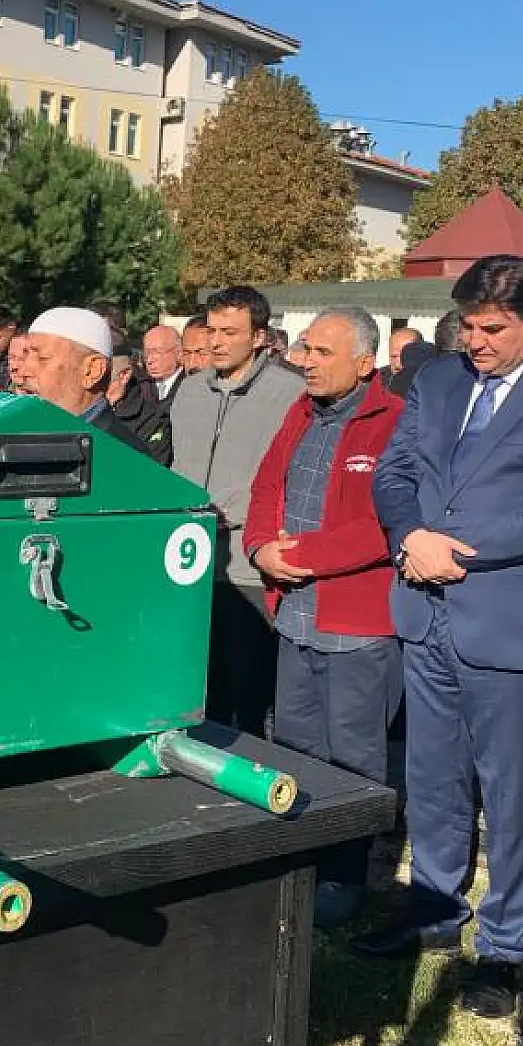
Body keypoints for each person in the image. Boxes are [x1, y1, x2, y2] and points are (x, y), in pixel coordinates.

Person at [360, 255, 523, 1021]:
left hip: (508, 623)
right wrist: (409, 533)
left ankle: (503, 948)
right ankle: (437, 912)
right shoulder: (438, 380)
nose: (475, 341)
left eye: (493, 329)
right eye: (468, 325)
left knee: (510, 793)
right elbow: (394, 472)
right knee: (435, 779)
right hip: (425, 609)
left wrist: (445, 546)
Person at [244, 307, 404, 929]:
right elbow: (266, 488)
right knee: (298, 744)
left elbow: (384, 524)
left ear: (366, 365)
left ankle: (345, 875)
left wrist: (301, 557)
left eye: (321, 352)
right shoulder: (300, 414)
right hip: (295, 617)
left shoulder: (394, 425)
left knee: (355, 757)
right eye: (305, 348)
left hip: (355, 625)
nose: (305, 361)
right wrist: (261, 548)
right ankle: (302, 861)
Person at [169, 286, 300, 734]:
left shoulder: (289, 394)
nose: (216, 341)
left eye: (230, 331)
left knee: (251, 690)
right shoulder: (189, 392)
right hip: (191, 562)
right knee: (201, 687)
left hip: (248, 566)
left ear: (260, 337)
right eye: (212, 330)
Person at [22, 308, 147, 452]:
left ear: (92, 370)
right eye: (25, 355)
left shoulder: (125, 456)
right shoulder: (13, 432)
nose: (24, 372)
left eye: (43, 359)